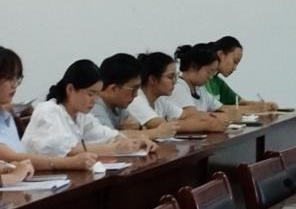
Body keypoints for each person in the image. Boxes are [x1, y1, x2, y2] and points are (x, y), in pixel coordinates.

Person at [21, 60, 155, 157]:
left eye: (97, 95)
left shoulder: (80, 115)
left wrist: (134, 142)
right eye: (90, 94)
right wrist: (114, 149)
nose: (95, 100)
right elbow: (67, 150)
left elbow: (105, 135)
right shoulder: (48, 110)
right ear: (70, 89)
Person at [0, 46, 98, 172]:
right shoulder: (48, 110)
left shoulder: (6, 116)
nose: (14, 85)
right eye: (9, 78)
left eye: (16, 78)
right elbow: (10, 158)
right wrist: (70, 162)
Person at [127, 52, 226, 133]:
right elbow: (163, 126)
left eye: (176, 76)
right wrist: (208, 125)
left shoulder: (160, 101)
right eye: (170, 77)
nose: (175, 81)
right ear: (153, 79)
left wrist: (215, 118)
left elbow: (187, 115)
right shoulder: (136, 99)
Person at [93, 53, 179, 140]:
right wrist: (157, 132)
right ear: (114, 89)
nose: (136, 95)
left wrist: (137, 129)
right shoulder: (94, 104)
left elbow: (138, 128)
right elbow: (109, 138)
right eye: (133, 89)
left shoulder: (119, 106)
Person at [204, 36, 276, 112]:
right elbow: (217, 108)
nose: (235, 68)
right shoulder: (202, 81)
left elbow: (240, 102)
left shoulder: (217, 82)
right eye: (235, 62)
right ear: (221, 54)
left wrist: (264, 105)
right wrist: (254, 108)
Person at [169, 44, 238, 122]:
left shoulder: (200, 89)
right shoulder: (177, 87)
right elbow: (194, 115)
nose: (210, 77)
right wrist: (225, 116)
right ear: (193, 66)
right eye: (209, 72)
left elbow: (222, 108)